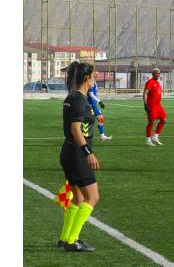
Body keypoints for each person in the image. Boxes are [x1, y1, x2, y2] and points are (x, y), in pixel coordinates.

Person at [58, 61, 101, 252]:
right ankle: (73, 240)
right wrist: (88, 153)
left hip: (69, 152)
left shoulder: (73, 97)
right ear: (86, 78)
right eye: (93, 76)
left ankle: (65, 237)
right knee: (92, 197)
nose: (95, 78)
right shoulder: (78, 99)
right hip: (77, 153)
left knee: (77, 198)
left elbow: (79, 124)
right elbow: (76, 129)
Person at [143, 68, 166, 146]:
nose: (158, 74)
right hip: (151, 105)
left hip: (158, 105)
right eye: (156, 73)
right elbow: (145, 93)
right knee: (151, 122)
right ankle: (148, 140)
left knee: (164, 119)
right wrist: (145, 104)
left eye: (159, 73)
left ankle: (155, 137)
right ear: (153, 74)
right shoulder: (150, 82)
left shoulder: (158, 83)